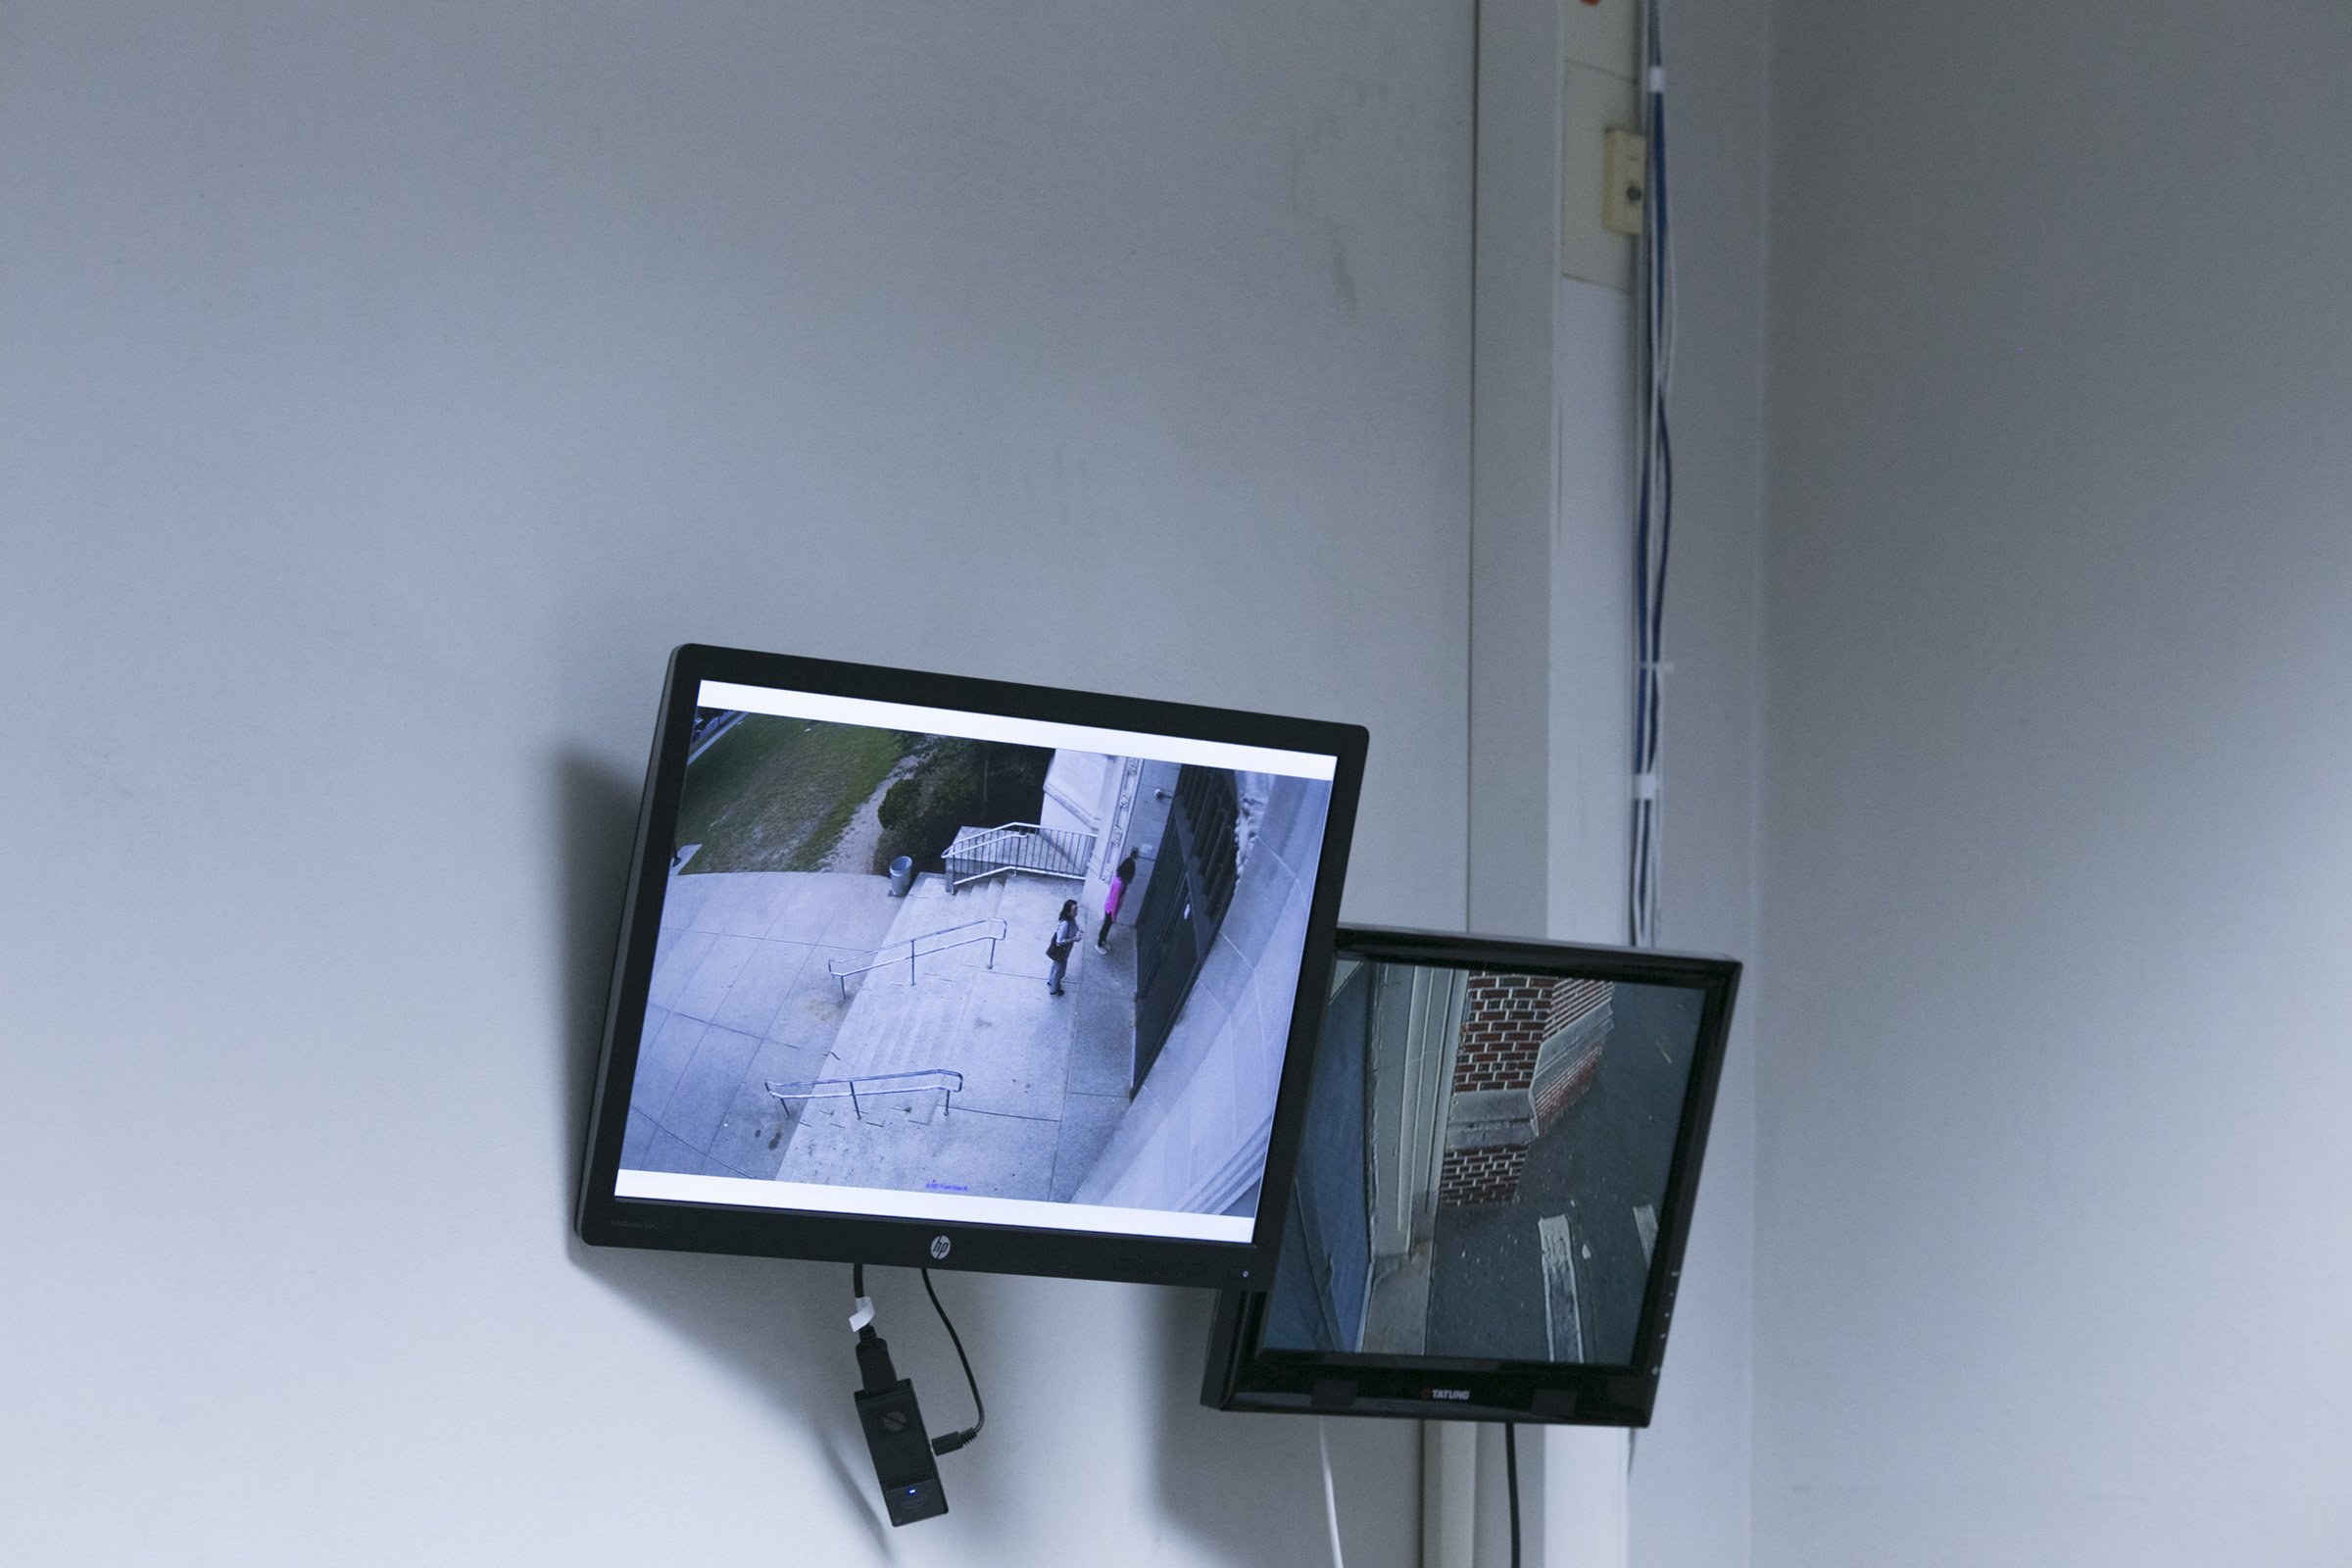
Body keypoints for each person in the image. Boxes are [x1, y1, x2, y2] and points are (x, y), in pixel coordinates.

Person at [1096, 852, 1137, 952]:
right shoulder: (1119, 884)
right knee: (1106, 925)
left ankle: (1103, 941)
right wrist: (1114, 916)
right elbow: (1114, 901)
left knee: (1108, 925)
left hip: (1110, 907)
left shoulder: (1120, 879)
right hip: (1111, 909)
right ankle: (1099, 944)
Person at [1046, 899, 1082, 996]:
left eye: (1076, 909)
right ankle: (1054, 989)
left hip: (1064, 950)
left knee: (1055, 966)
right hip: (1062, 951)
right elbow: (1059, 942)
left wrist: (1078, 931)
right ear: (1068, 912)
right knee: (1059, 970)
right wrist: (1074, 939)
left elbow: (1075, 926)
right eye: (1074, 911)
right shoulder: (1065, 924)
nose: (1076, 912)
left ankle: (1051, 981)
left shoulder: (1071, 919)